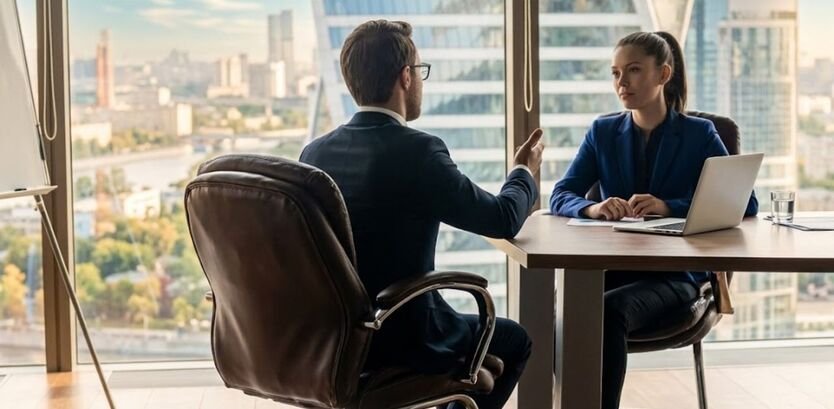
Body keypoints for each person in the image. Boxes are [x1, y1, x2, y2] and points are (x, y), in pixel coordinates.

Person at [300, 20, 544, 409]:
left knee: (486, 362)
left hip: (337, 340)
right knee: (514, 341)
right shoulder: (418, 151)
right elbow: (500, 218)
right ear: (406, 78)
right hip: (405, 334)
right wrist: (523, 173)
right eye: (421, 70)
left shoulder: (314, 153)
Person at [549, 31, 758, 409]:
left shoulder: (700, 134)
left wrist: (668, 206)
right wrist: (593, 208)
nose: (621, 83)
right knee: (559, 311)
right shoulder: (603, 131)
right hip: (611, 267)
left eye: (633, 71)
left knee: (607, 313)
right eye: (615, 73)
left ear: (663, 74)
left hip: (675, 275)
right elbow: (560, 194)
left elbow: (746, 202)